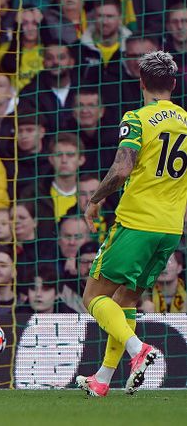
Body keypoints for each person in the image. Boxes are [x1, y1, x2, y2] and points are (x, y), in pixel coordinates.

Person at [77, 50, 186, 397]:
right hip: (170, 229)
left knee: (93, 298)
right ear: (172, 83)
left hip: (137, 222)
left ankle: (138, 349)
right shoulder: (185, 120)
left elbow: (122, 169)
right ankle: (103, 379)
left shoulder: (137, 119)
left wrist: (94, 200)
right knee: (125, 300)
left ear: (141, 82)